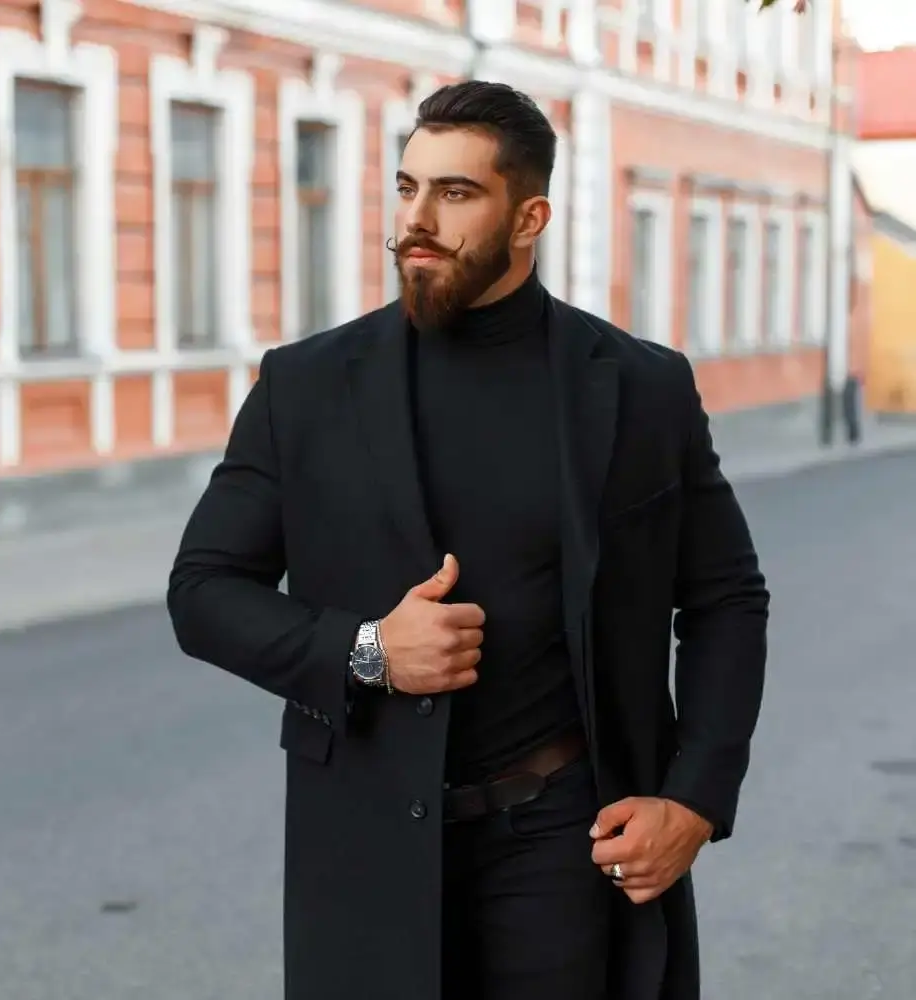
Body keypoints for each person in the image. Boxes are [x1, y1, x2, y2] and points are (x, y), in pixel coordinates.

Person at [167, 80, 769, 1000]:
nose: (417, 218)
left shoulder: (640, 387)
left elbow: (725, 597)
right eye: (408, 188)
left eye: (454, 194)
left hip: (568, 844)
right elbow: (203, 591)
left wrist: (693, 799)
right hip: (367, 843)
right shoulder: (308, 386)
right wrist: (368, 650)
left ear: (529, 217)